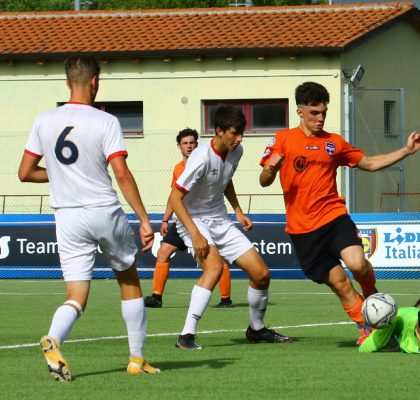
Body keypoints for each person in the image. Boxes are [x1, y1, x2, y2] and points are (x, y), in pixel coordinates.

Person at [18, 55, 159, 381]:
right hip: (102, 210)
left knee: (76, 296)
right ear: (95, 81)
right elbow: (121, 174)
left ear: (68, 82)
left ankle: (53, 339)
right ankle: (137, 359)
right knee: (128, 279)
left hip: (66, 216)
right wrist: (143, 218)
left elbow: (25, 172)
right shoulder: (105, 121)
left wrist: (62, 175)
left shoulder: (44, 120)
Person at [259, 81, 420, 343]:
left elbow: (369, 163)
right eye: (315, 113)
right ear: (300, 111)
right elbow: (264, 180)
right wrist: (270, 168)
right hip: (303, 231)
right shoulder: (283, 140)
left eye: (324, 112)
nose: (320, 118)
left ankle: (373, 296)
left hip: (333, 217)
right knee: (341, 285)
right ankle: (367, 327)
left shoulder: (334, 143)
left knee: (358, 264)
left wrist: (406, 150)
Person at [169, 105, 291, 349]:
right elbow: (174, 198)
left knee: (261, 274)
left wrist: (237, 211)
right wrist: (194, 234)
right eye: (235, 133)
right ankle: (186, 335)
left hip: (220, 221)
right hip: (192, 220)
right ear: (219, 131)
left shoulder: (236, 151)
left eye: (241, 133)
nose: (240, 138)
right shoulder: (201, 157)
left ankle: (256, 329)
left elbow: (226, 179)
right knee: (213, 268)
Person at [144, 128, 234, 309]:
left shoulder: (204, 161)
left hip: (202, 221)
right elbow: (174, 196)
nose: (189, 146)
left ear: (197, 144)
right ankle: (156, 297)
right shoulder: (178, 168)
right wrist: (164, 220)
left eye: (192, 142)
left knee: (215, 260)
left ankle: (225, 299)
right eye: (185, 143)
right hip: (181, 223)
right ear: (179, 146)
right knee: (163, 253)